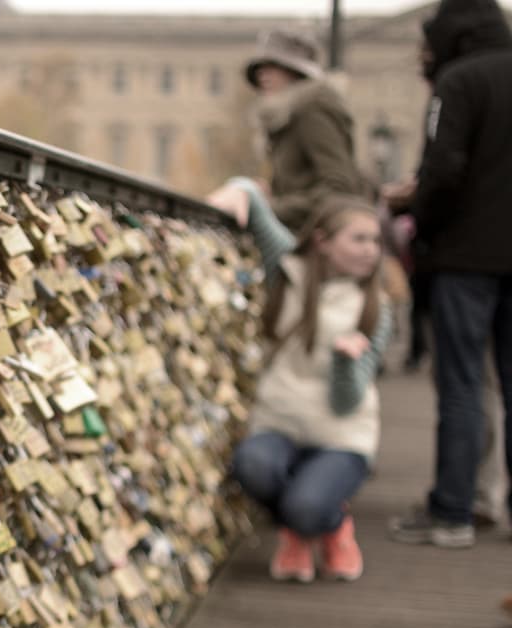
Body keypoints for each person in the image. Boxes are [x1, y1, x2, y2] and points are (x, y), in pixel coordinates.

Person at [210, 180, 392, 582]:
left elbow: (347, 403)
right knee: (253, 466)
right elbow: (258, 209)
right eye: (359, 238)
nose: (371, 250)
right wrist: (239, 189)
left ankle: (326, 524)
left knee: (306, 506)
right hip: (281, 424)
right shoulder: (290, 269)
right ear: (323, 241)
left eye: (375, 240)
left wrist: (347, 363)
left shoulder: (376, 308)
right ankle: (305, 525)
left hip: (342, 439)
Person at [388, 0, 512, 548]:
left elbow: (443, 169)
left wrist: (418, 218)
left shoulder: (458, 80)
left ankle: (454, 511)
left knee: (461, 385)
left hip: (466, 257)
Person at [244, 29, 370, 233]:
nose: (262, 74)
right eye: (260, 68)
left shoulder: (312, 106)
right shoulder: (288, 114)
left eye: (273, 65)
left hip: (317, 241)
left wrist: (272, 208)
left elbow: (339, 187)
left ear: (295, 71)